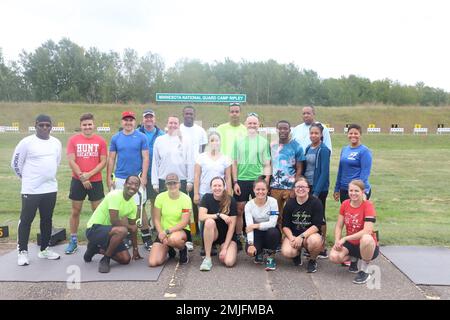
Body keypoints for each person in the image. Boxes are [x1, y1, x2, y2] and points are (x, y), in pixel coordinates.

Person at [12, 114, 62, 266]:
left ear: (51, 126)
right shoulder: (26, 142)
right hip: (31, 190)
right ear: (36, 125)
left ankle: (45, 249)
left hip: (50, 188)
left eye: (48, 125)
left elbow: (56, 162)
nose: (45, 128)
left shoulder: (56, 142)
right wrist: (26, 179)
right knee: (26, 220)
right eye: (42, 125)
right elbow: (16, 164)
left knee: (47, 220)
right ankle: (22, 252)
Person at [106, 111, 150, 250]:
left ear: (134, 122)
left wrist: (143, 177)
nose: (128, 122)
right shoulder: (116, 138)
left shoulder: (141, 137)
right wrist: (109, 177)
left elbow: (145, 158)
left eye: (131, 120)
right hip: (120, 178)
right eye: (126, 120)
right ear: (122, 122)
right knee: (122, 210)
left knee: (139, 208)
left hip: (136, 178)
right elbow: (112, 158)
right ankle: (127, 238)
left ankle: (146, 237)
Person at [65, 113, 107, 254]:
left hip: (95, 181)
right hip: (78, 180)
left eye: (89, 124)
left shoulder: (100, 141)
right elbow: (71, 160)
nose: (87, 127)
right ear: (81, 126)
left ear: (93, 125)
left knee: (97, 212)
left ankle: (96, 241)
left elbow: (103, 162)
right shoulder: (73, 140)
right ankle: (74, 240)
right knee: (75, 211)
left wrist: (89, 175)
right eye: (84, 125)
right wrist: (82, 177)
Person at [84, 175, 142, 273]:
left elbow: (133, 229)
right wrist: (130, 227)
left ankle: (95, 249)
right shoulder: (115, 195)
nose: (133, 186)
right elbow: (114, 221)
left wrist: (135, 249)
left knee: (125, 259)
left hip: (111, 232)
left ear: (138, 188)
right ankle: (105, 259)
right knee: (122, 230)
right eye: (130, 183)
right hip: (94, 229)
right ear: (124, 184)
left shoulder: (133, 205)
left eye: (136, 185)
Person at [232, 113, 271, 249]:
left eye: (255, 123)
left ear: (258, 125)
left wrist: (266, 181)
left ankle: (260, 236)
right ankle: (238, 236)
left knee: (260, 209)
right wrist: (235, 182)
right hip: (242, 180)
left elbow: (267, 164)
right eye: (250, 123)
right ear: (245, 124)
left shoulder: (264, 142)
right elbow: (235, 163)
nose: (252, 126)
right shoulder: (239, 141)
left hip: (258, 180)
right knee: (239, 209)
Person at [329, 179, 379, 284]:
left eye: (356, 191)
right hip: (352, 243)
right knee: (333, 257)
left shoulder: (368, 205)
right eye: (351, 190)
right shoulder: (345, 204)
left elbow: (367, 230)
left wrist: (345, 238)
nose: (353, 193)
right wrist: (337, 241)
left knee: (366, 238)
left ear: (362, 191)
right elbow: (339, 226)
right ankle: (353, 259)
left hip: (366, 244)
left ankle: (364, 271)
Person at [194, 131, 232, 256]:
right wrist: (196, 193)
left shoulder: (225, 158)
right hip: (205, 193)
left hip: (220, 194)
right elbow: (197, 176)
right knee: (204, 220)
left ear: (220, 142)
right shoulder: (201, 157)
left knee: (218, 218)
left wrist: (229, 194)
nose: (214, 143)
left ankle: (216, 243)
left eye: (217, 140)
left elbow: (227, 178)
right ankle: (205, 245)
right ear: (208, 143)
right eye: (212, 140)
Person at [281, 177, 325, 273]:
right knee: (287, 252)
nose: (300, 189)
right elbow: (285, 225)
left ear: (308, 189)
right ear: (294, 189)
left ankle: (312, 260)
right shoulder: (289, 203)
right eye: (298, 187)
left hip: (309, 236)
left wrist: (301, 236)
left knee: (315, 241)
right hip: (294, 235)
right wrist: (292, 238)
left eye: (303, 187)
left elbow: (317, 226)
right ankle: (296, 254)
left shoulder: (316, 203)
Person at [180, 106, 208, 251]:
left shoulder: (201, 131)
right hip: (181, 173)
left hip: (197, 172)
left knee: (196, 202)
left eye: (191, 113)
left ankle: (196, 230)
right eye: (186, 113)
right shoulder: (178, 129)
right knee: (183, 205)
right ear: (183, 115)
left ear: (194, 114)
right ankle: (186, 229)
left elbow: (202, 151)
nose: (189, 115)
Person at [149, 173, 192, 267]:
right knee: (153, 262)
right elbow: (156, 219)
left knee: (173, 239)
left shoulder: (186, 199)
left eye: (174, 183)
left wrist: (167, 232)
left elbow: (184, 222)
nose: (172, 185)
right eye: (169, 183)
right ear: (166, 185)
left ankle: (182, 249)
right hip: (163, 232)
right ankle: (170, 249)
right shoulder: (160, 197)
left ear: (180, 184)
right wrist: (161, 234)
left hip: (180, 231)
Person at [302, 122, 331, 259]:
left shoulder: (324, 150)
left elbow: (324, 172)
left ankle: (322, 247)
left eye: (316, 133)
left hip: (319, 188)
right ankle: (311, 244)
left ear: (321, 135)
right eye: (311, 133)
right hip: (308, 187)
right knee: (311, 216)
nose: (313, 135)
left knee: (320, 217)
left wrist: (316, 193)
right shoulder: (308, 148)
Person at [137, 108, 165, 250]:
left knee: (155, 203)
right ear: (143, 120)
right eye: (146, 117)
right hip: (140, 174)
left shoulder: (161, 134)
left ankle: (155, 227)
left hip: (156, 174)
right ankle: (145, 229)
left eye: (151, 117)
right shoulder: (137, 133)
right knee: (140, 204)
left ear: (155, 119)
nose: (148, 120)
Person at [198, 177, 238, 271]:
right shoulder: (207, 198)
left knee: (228, 262)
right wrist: (219, 215)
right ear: (211, 188)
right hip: (213, 234)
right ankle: (207, 258)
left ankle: (223, 248)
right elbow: (201, 216)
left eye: (219, 185)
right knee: (209, 222)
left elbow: (232, 227)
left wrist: (225, 248)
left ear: (224, 187)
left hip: (226, 236)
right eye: (214, 186)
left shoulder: (231, 200)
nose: (217, 188)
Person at [152, 116, 194, 195]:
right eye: (171, 123)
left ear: (179, 125)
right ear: (167, 124)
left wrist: (190, 181)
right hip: (163, 179)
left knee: (181, 206)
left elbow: (190, 162)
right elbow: (155, 162)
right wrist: (155, 183)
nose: (173, 125)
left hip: (181, 180)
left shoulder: (186, 140)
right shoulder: (159, 140)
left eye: (175, 123)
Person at [269, 120, 305, 215]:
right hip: (275, 187)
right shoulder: (272, 146)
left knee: (289, 214)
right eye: (280, 128)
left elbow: (299, 169)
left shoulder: (296, 147)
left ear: (289, 130)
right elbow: (268, 165)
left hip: (290, 187)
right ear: (277, 130)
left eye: (285, 128)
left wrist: (295, 187)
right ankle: (276, 230)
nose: (282, 131)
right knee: (275, 214)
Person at [245, 178, 280, 271]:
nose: (260, 192)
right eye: (258, 189)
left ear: (267, 190)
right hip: (257, 233)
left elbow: (273, 223)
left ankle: (270, 257)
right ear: (253, 190)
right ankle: (259, 252)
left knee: (273, 232)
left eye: (263, 189)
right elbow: (249, 227)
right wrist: (251, 244)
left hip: (270, 231)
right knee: (250, 251)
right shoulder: (248, 205)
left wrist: (255, 225)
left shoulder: (273, 202)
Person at [333, 124, 372, 203]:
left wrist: (359, 190)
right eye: (350, 133)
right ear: (347, 134)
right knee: (346, 214)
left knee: (358, 214)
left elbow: (365, 173)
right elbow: (340, 170)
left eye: (356, 133)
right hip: (344, 189)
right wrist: (337, 188)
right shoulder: (344, 149)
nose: (353, 135)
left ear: (360, 135)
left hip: (357, 190)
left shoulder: (364, 151)